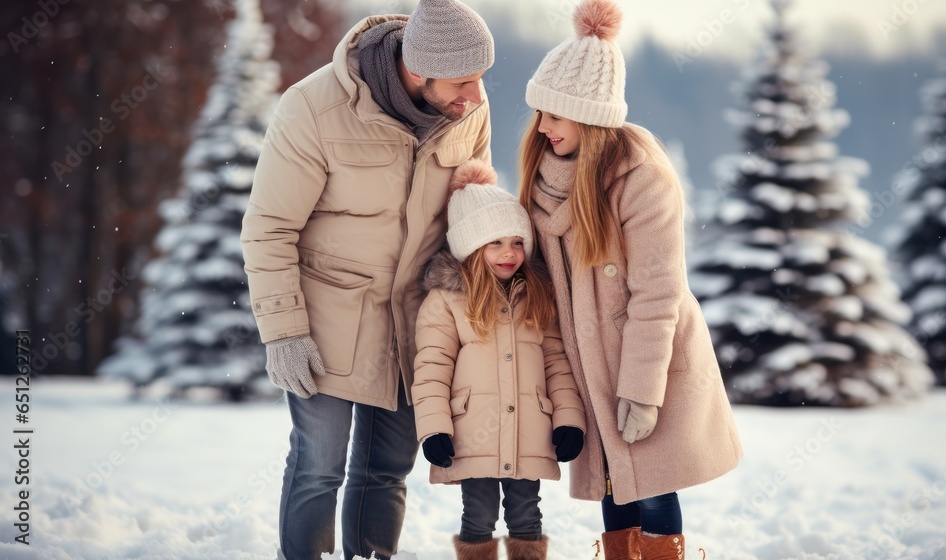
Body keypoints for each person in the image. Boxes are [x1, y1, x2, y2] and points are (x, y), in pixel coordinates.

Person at [239, 0, 494, 557]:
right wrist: (284, 332)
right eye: (464, 81)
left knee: (387, 471)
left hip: (412, 319)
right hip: (328, 318)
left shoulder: (466, 112)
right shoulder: (314, 106)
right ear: (418, 68)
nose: (475, 96)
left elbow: (471, 214)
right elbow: (269, 228)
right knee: (319, 466)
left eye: (481, 81)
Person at [517, 1, 744, 558]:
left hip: (648, 357)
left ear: (588, 117)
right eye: (539, 113)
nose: (542, 127)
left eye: (554, 115)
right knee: (615, 480)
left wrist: (642, 391)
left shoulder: (642, 178)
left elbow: (657, 293)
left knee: (652, 480)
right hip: (585, 357)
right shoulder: (543, 174)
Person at [411, 159, 587, 560]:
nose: (509, 253)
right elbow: (432, 368)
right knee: (478, 513)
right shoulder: (447, 301)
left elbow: (558, 364)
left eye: (517, 241)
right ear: (471, 246)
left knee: (527, 513)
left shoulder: (537, 296)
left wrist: (569, 419)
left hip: (529, 433)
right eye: (495, 243)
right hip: (471, 437)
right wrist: (433, 428)